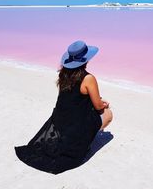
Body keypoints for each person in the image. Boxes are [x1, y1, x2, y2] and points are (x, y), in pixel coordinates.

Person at [14, 40, 113, 174]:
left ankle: (83, 138)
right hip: (76, 123)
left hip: (60, 119)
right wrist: (104, 104)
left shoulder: (63, 74)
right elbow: (98, 106)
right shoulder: (88, 78)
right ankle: (85, 141)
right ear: (86, 59)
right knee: (108, 113)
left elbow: (72, 98)